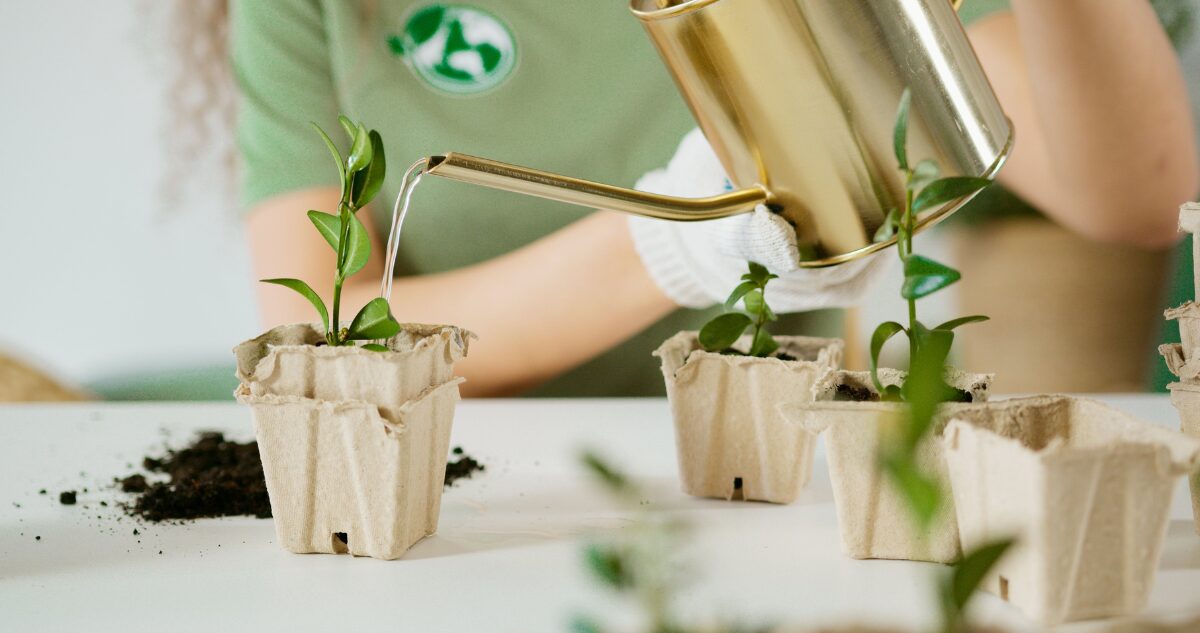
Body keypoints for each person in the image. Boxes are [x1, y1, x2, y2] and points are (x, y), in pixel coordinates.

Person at [231, 1, 1197, 398]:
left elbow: (1131, 195)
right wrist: (674, 242)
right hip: (448, 472)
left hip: (771, 447)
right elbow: (319, 336)